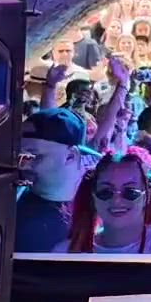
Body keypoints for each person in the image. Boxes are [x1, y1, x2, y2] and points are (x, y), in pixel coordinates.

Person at [55, 147, 151, 253]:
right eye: (106, 192)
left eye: (130, 192)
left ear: (147, 196)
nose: (117, 200)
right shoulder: (65, 252)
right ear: (93, 196)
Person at [16, 108, 101, 252]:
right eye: (20, 157)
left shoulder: (102, 200)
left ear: (71, 156)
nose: (23, 165)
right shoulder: (13, 211)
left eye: (33, 156)